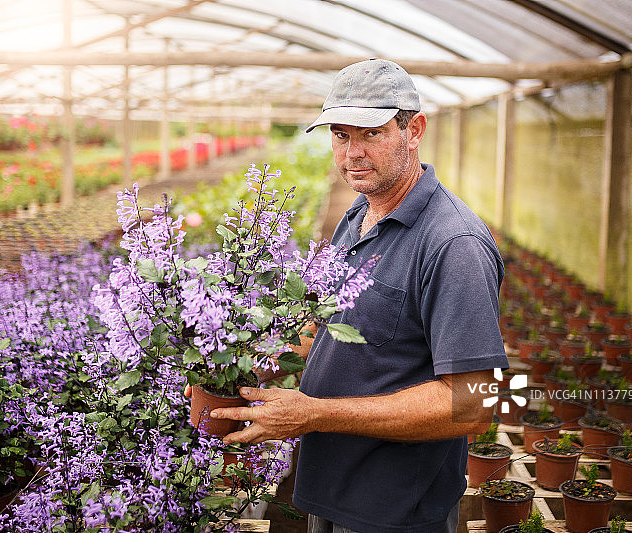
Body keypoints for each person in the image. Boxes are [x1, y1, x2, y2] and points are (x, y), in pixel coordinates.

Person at [210, 58, 509, 533]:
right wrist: (245, 363)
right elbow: (332, 329)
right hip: (329, 488)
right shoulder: (357, 215)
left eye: (371, 133)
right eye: (341, 135)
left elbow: (473, 403)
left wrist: (315, 414)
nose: (353, 153)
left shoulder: (453, 245)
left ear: (414, 131)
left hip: (394, 509)